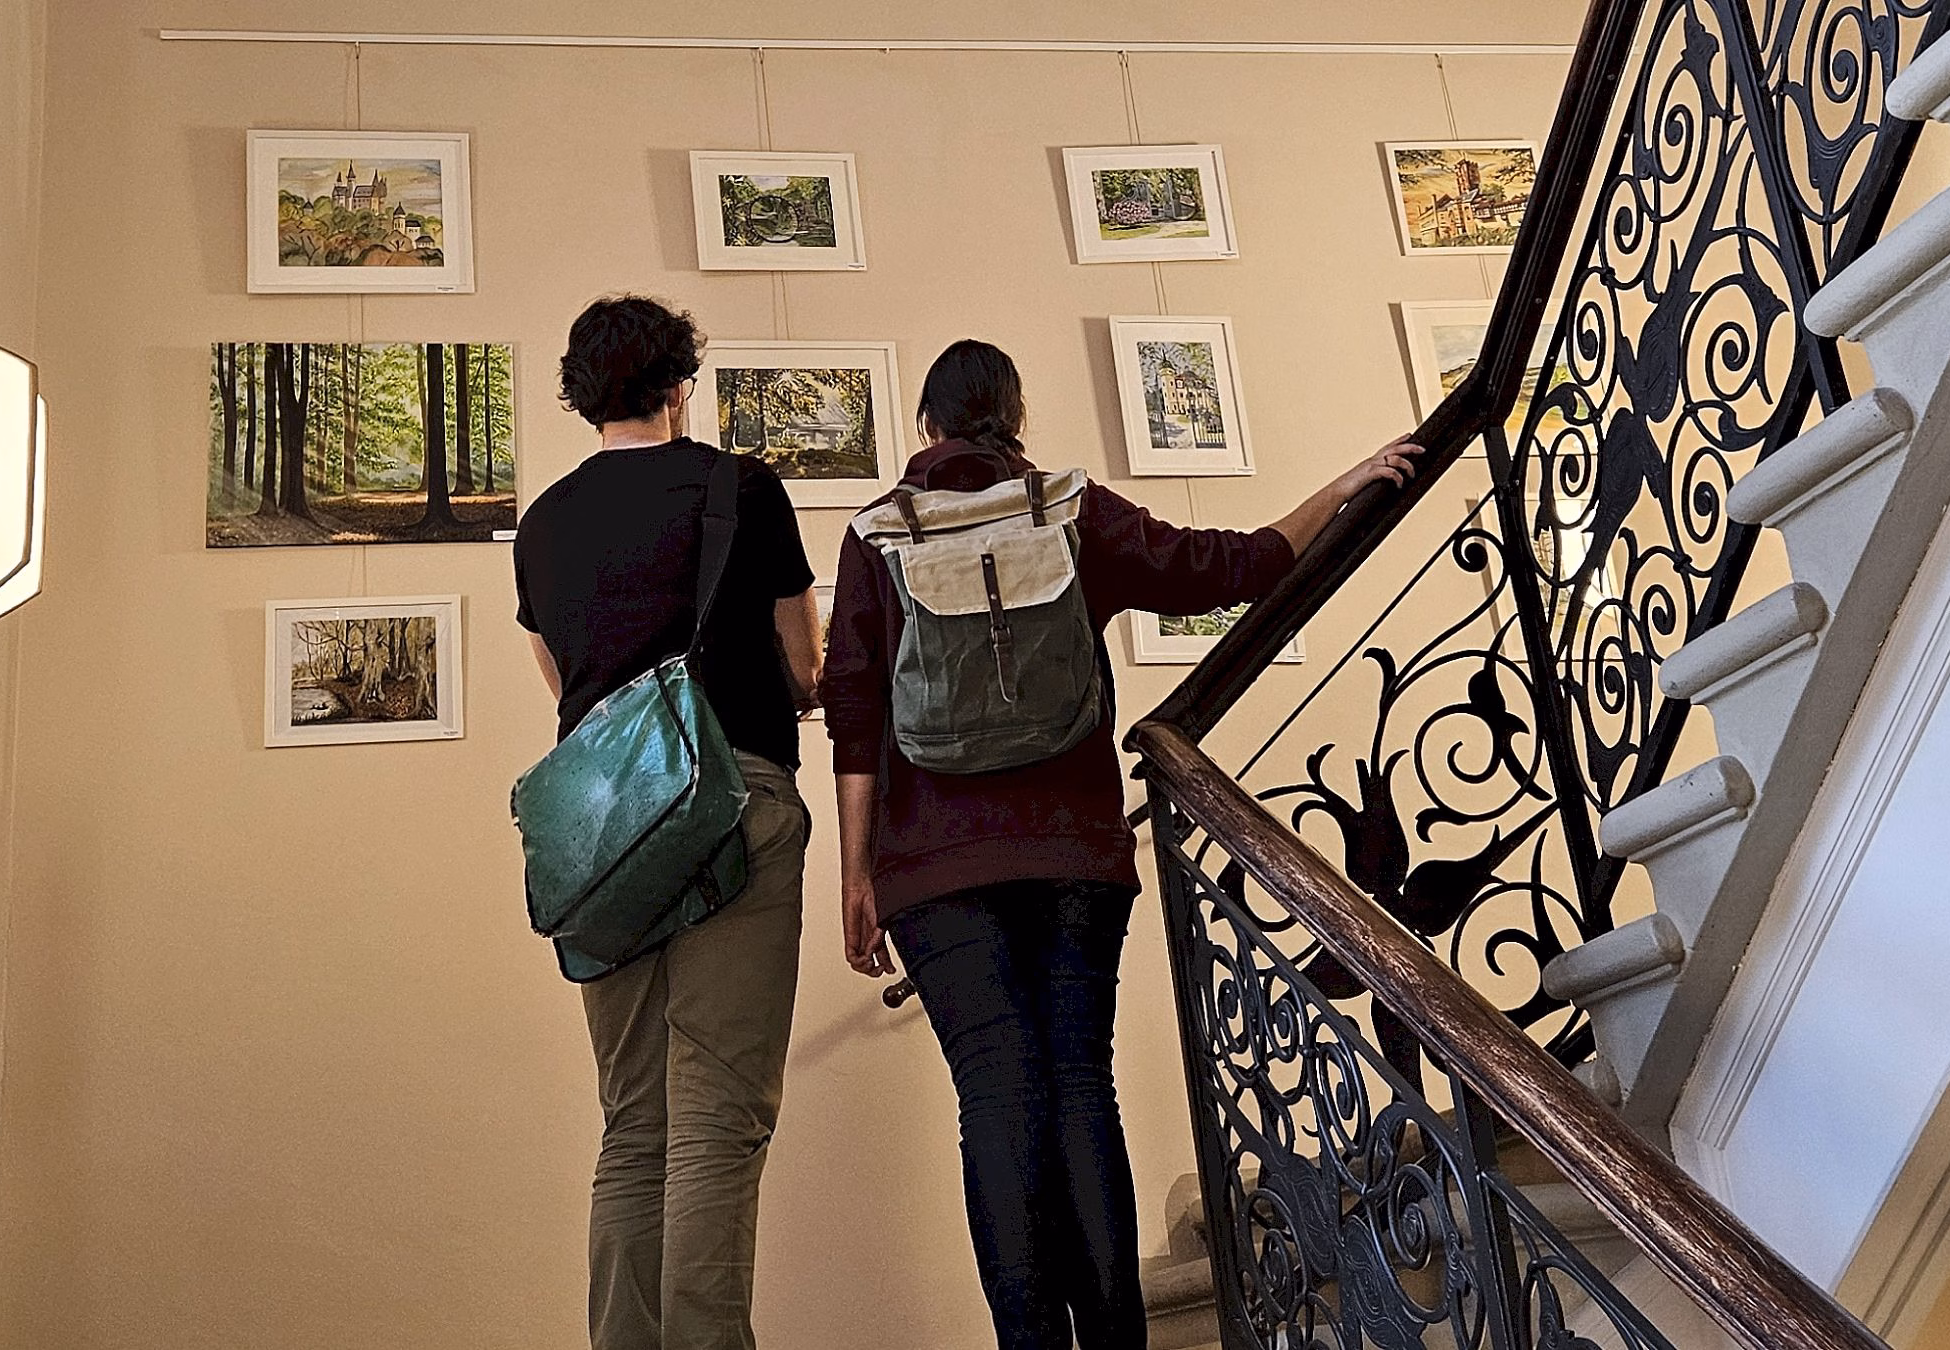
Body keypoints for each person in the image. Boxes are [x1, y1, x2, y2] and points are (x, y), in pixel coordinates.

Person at [818, 338, 1415, 1350]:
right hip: (1075, 856)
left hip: (934, 873)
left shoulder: (880, 533)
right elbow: (1232, 567)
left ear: (925, 428)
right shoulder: (1069, 509)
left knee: (995, 1102)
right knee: (1081, 1085)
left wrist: (856, 876)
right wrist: (1349, 481)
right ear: (1014, 416)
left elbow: (856, 714)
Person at [514, 295, 823, 1350]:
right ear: (679, 383)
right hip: (730, 799)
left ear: (583, 394)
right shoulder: (741, 487)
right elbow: (802, 664)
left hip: (601, 836)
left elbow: (564, 678)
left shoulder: (545, 521)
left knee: (632, 1126)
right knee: (716, 1121)